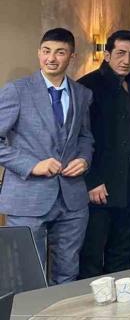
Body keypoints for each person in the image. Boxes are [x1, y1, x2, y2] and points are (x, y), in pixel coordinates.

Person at [0, 28, 93, 284]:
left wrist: (84, 159)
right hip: (28, 199)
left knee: (68, 272)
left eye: (60, 52)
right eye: (46, 51)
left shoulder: (82, 94)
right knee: (28, 275)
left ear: (72, 56)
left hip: (72, 199)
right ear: (38, 53)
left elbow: (85, 137)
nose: (51, 58)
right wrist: (32, 165)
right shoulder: (17, 91)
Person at [78, 30, 130, 278]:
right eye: (120, 53)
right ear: (107, 54)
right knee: (92, 250)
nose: (126, 60)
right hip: (100, 181)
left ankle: (120, 298)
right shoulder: (87, 86)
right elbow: (79, 138)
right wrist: (92, 180)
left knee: (123, 245)